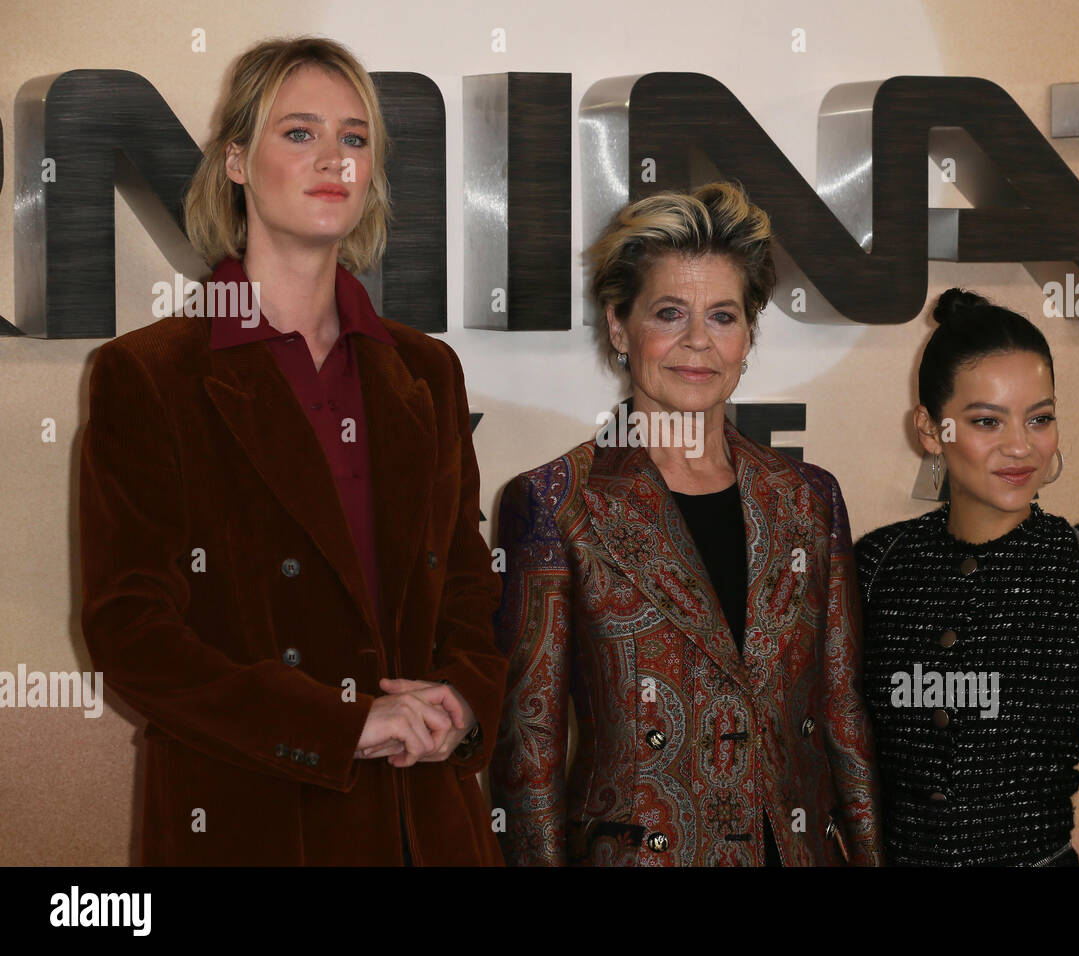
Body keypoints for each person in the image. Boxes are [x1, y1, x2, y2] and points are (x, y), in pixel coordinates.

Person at [78, 36, 506, 865]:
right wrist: (337, 724)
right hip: (252, 816)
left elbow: (463, 578)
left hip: (425, 819)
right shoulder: (150, 374)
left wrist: (463, 700)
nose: (333, 160)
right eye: (299, 132)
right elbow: (130, 631)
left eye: (354, 138)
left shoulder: (425, 371)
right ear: (236, 161)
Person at [489, 181, 882, 866]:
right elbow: (530, 750)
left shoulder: (810, 501)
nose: (698, 342)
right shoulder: (556, 503)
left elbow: (843, 714)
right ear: (619, 326)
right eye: (669, 313)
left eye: (724, 316)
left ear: (749, 335)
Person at [854, 287, 1079, 866]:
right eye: (986, 421)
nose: (1021, 446)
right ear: (931, 431)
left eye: (1041, 418)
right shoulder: (877, 565)